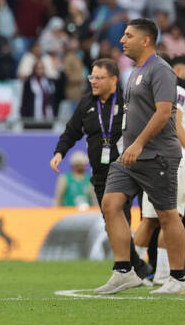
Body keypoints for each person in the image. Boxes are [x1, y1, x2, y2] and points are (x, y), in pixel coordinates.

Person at [96, 18, 185, 295]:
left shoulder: (160, 70)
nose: (122, 40)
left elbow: (164, 113)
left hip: (157, 154)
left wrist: (137, 144)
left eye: (128, 35)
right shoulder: (136, 71)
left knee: (167, 215)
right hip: (130, 155)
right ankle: (124, 271)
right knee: (110, 204)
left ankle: (179, 279)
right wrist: (129, 146)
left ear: (146, 40)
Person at [51, 58, 152, 279]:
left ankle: (129, 269)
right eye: (92, 77)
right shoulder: (87, 103)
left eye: (99, 77)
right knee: (112, 224)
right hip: (99, 175)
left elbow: (147, 130)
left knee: (121, 219)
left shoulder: (129, 102)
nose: (93, 82)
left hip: (126, 171)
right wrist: (59, 152)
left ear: (113, 79)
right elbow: (71, 131)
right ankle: (140, 268)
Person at [135, 55, 185, 282]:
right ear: (174, 71)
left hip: (151, 159)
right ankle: (167, 275)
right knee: (174, 218)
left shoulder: (148, 93)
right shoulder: (178, 92)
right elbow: (176, 126)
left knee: (149, 219)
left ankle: (133, 271)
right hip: (176, 159)